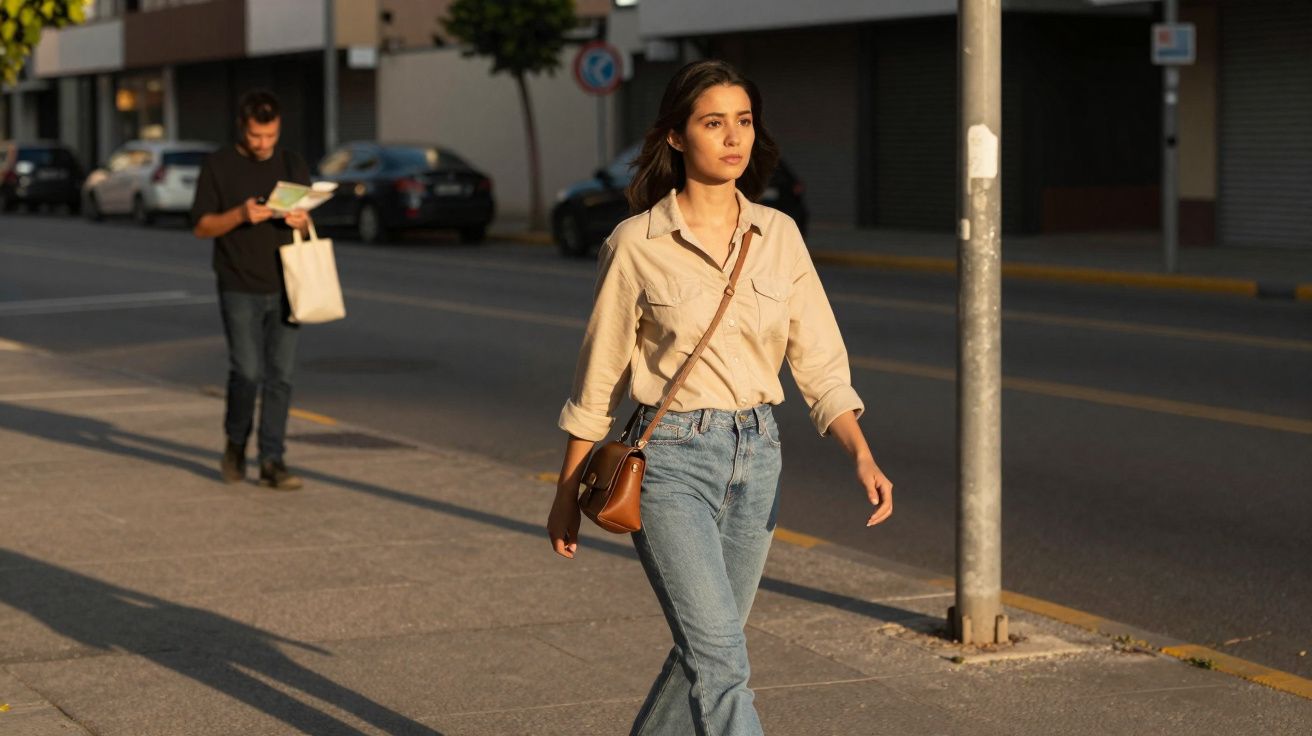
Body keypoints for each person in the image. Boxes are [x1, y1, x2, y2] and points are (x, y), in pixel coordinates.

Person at [547, 60, 895, 735]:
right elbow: (597, 383)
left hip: (758, 456)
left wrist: (860, 452)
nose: (733, 137)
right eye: (714, 123)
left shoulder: (779, 235)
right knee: (723, 661)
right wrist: (565, 493)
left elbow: (819, 360)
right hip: (670, 461)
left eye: (743, 121)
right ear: (676, 137)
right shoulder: (635, 245)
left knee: (707, 653)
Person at [191, 89, 314, 491]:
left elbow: (309, 224)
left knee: (281, 377)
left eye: (271, 136)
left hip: (287, 285)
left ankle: (273, 460)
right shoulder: (219, 166)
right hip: (238, 283)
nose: (264, 145)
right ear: (242, 128)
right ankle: (235, 442)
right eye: (257, 136)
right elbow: (202, 226)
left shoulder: (292, 163)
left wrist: (300, 221)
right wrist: (241, 214)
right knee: (247, 372)